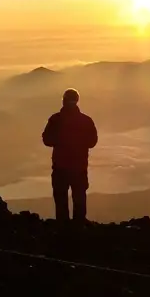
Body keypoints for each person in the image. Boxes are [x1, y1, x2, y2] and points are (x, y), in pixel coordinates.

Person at [42, 88, 98, 225]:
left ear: (63, 101)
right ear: (77, 101)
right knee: (79, 197)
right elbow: (92, 142)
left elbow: (47, 140)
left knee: (61, 198)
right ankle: (79, 227)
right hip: (79, 167)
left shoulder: (55, 119)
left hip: (60, 167)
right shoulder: (86, 120)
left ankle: (63, 228)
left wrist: (61, 141)